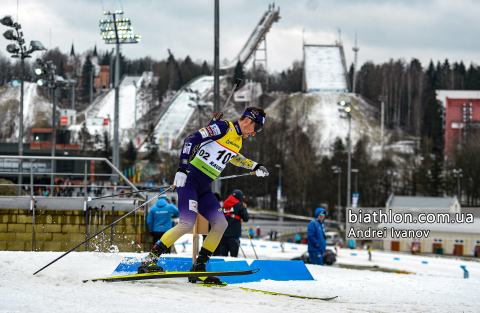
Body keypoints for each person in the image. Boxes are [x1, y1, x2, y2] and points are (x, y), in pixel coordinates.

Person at [137, 107, 268, 285]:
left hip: (204, 187)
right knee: (186, 223)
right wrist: (182, 168)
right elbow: (191, 138)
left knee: (221, 223)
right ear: (248, 120)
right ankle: (149, 260)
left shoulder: (238, 140)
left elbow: (234, 157)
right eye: (256, 128)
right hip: (189, 181)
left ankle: (199, 268)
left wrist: (254, 166)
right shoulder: (223, 127)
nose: (254, 133)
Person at [219, 189, 249, 257]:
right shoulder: (239, 205)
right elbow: (246, 218)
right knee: (234, 257)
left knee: (223, 257)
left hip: (223, 235)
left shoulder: (224, 205)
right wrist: (244, 209)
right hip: (234, 236)